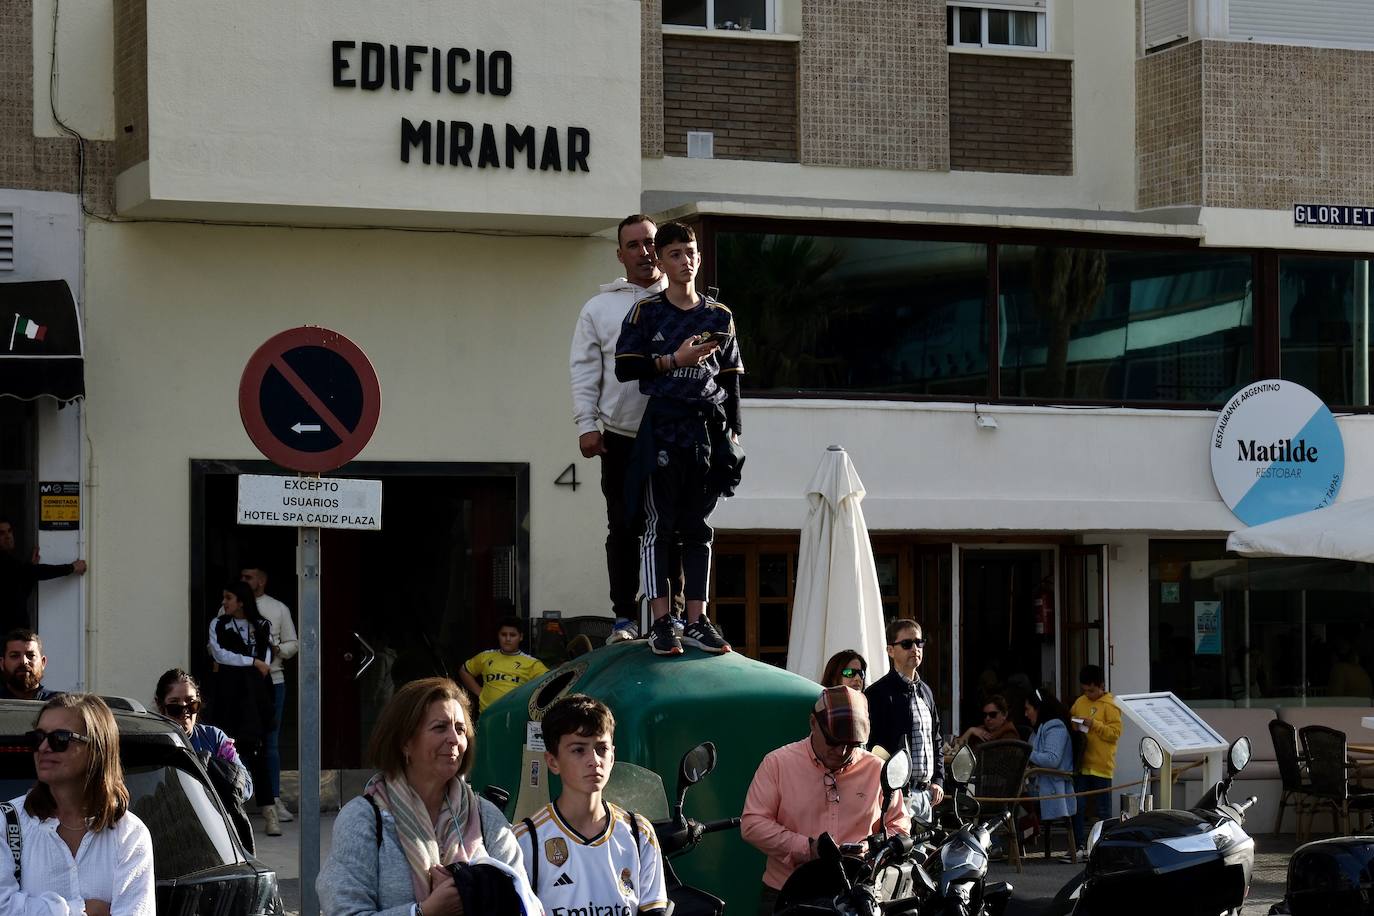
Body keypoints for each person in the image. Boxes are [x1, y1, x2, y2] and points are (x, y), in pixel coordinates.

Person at [615, 221, 745, 657]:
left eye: (691, 253)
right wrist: (674, 359)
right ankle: (660, 620)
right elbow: (626, 368)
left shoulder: (720, 315)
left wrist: (733, 433)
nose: (685, 261)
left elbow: (731, 379)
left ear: (699, 258)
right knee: (658, 526)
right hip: (663, 426)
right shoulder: (645, 313)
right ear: (662, 261)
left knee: (699, 528)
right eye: (675, 254)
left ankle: (697, 618)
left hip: (706, 428)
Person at [317, 677, 538, 916]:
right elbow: (343, 911)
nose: (454, 739)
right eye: (440, 727)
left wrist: (472, 893)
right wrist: (422, 912)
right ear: (405, 742)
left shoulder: (486, 816)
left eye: (460, 729)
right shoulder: (364, 819)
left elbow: (526, 904)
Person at [571, 214, 675, 643]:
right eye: (633, 245)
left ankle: (673, 617)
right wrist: (586, 424)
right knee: (624, 525)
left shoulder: (686, 302)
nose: (644, 252)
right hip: (619, 435)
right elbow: (584, 369)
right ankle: (623, 618)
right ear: (620, 254)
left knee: (674, 525)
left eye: (650, 242)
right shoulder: (600, 307)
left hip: (675, 432)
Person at [742, 685, 910, 916]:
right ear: (813, 723)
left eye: (852, 744)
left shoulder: (877, 769)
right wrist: (807, 848)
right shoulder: (778, 764)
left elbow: (899, 825)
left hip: (858, 893)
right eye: (833, 741)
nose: (841, 751)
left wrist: (870, 849)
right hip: (789, 892)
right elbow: (752, 825)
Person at [0, 693, 155, 914]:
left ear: (96, 749)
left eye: (60, 739)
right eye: (37, 738)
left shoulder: (129, 834)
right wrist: (81, 911)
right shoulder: (6, 823)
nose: (43, 747)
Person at [515, 695, 668, 915]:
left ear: (613, 757)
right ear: (553, 762)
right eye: (579, 750)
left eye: (601, 749)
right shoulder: (527, 839)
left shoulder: (639, 832)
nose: (594, 760)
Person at [154, 667, 256, 850]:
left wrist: (218, 769)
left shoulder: (215, 738)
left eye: (191, 704)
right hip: (170, 837)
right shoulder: (155, 742)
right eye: (175, 706)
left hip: (217, 837)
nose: (185, 712)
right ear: (160, 706)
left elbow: (246, 788)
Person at [208, 580, 279, 836]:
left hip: (255, 696)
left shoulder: (262, 625)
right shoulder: (219, 624)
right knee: (226, 749)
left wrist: (257, 664)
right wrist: (252, 661)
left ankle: (270, 810)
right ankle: (228, 808)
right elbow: (220, 654)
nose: (224, 603)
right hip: (229, 695)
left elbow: (267, 660)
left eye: (228, 598)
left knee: (259, 750)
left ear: (241, 600)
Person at [865, 618, 945, 822]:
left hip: (926, 795)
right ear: (890, 650)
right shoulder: (877, 694)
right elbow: (872, 748)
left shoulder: (925, 691)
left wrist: (938, 780)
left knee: (923, 853)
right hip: (896, 795)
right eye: (907, 644)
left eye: (919, 643)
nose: (915, 648)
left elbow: (936, 739)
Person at [241, 565, 299, 824]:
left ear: (261, 582)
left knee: (270, 742)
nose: (243, 581)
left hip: (274, 681)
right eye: (242, 577)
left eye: (248, 577)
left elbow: (293, 643)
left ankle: (273, 799)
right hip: (242, 683)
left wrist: (278, 651)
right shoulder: (231, 606)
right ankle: (239, 799)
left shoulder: (278, 608)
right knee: (239, 741)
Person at [0, 516, 86, 634]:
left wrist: (30, 568)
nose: (8, 536)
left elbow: (19, 591)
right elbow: (41, 572)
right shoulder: (6, 562)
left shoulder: (12, 563)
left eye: (9, 531)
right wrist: (72, 567)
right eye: (2, 533)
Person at [1069, 664, 1122, 854]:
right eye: (1085, 690)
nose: (1088, 694)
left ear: (1101, 685)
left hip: (1102, 765)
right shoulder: (1079, 702)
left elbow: (1115, 733)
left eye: (1091, 690)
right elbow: (1072, 720)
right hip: (1082, 763)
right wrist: (1076, 725)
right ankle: (1079, 845)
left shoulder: (1111, 704)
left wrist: (1095, 725)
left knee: (1103, 810)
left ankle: (1103, 847)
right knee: (1078, 807)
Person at [459, 616, 549, 714]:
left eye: (512, 635)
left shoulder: (532, 663)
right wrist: (479, 692)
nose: (508, 638)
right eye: (503, 634)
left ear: (521, 637)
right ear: (498, 635)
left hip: (515, 716)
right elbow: (464, 671)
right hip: (487, 716)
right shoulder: (486, 656)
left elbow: (549, 682)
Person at [1024, 688, 1076, 836]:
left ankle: (1016, 840)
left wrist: (1025, 754)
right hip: (1039, 782)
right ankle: (1021, 838)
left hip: (1050, 787)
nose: (1025, 714)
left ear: (1038, 708)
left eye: (1028, 709)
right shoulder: (1039, 728)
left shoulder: (1055, 726)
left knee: (1009, 800)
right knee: (1009, 796)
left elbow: (1052, 759)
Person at [0, 628, 60, 701]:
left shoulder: (61, 704)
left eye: (31, 655)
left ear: (43, 663)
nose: (24, 661)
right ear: (2, 663)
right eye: (14, 655)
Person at [951, 694, 1019, 752]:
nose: (987, 718)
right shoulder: (981, 731)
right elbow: (955, 749)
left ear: (1004, 715)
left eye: (992, 714)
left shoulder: (1010, 736)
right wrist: (970, 731)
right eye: (985, 715)